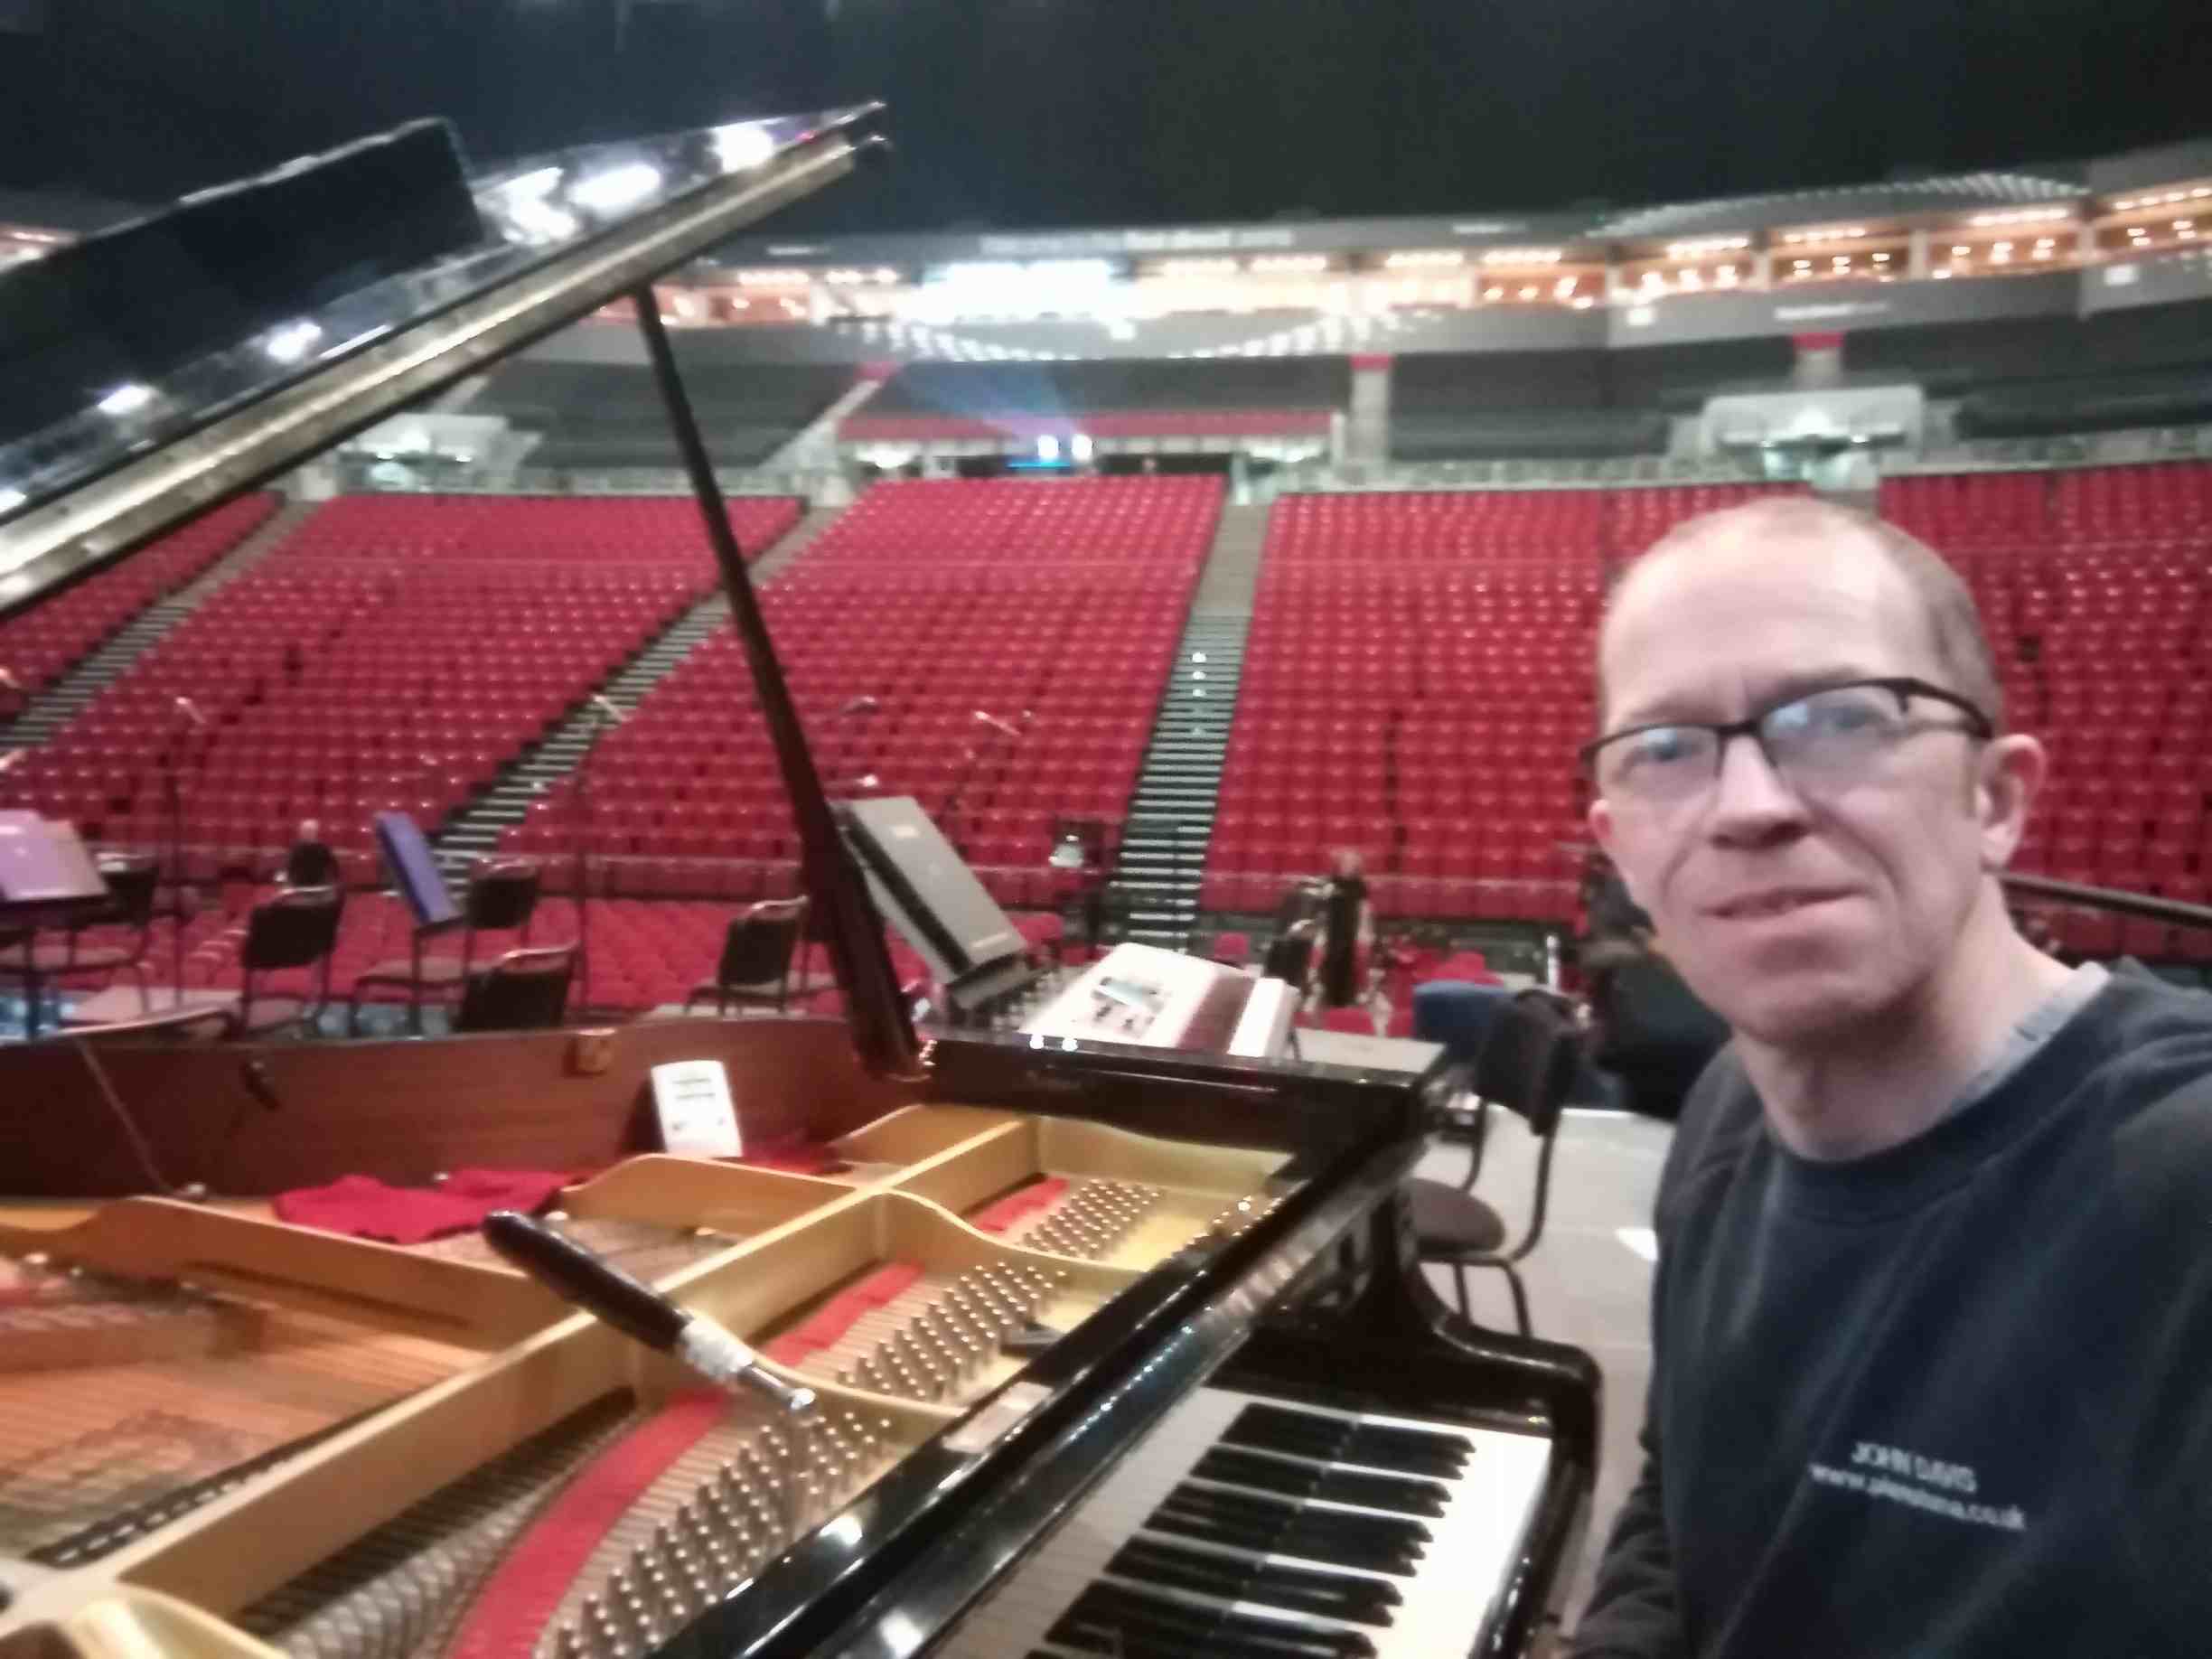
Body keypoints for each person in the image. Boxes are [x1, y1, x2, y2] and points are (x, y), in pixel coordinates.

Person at [1571, 498, 2212, 1657]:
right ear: (1618, 846)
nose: (1751, 805)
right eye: (1668, 748)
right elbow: (1680, 1509)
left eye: (1838, 720)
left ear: (1996, 800)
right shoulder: (1729, 1107)